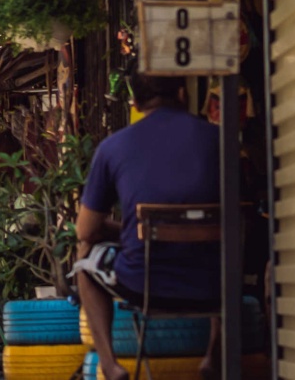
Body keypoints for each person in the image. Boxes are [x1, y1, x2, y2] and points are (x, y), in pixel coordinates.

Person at [76, 73, 223, 380]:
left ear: (137, 104)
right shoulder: (219, 139)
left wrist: (130, 229)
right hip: (216, 286)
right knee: (227, 249)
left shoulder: (113, 147)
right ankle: (214, 355)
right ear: (183, 95)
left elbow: (86, 231)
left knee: (85, 262)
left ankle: (110, 365)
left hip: (141, 286)